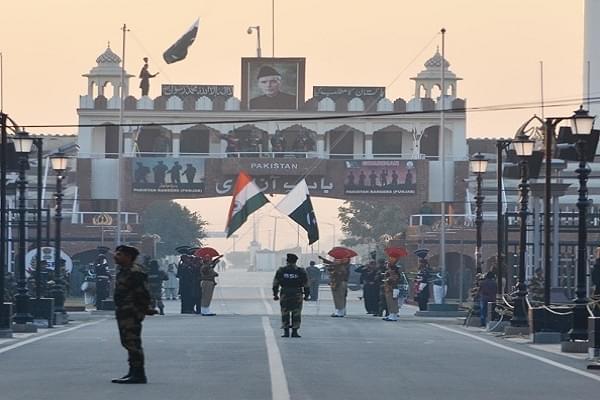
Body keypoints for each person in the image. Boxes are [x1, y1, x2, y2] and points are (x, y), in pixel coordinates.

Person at [111, 245, 155, 384]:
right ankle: (132, 371)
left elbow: (143, 293)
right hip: (123, 310)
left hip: (132, 311)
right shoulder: (123, 270)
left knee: (133, 342)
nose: (115, 256)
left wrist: (143, 310)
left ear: (128, 256)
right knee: (127, 342)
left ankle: (139, 374)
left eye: (119, 254)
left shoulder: (135, 272)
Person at [272, 253, 310, 338]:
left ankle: (286, 331)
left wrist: (275, 294)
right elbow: (306, 284)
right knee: (296, 312)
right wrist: (306, 295)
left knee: (285, 312)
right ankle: (295, 331)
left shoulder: (281, 270)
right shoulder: (301, 271)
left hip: (285, 293)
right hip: (297, 293)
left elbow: (276, 283)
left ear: (287, 261)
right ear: (296, 261)